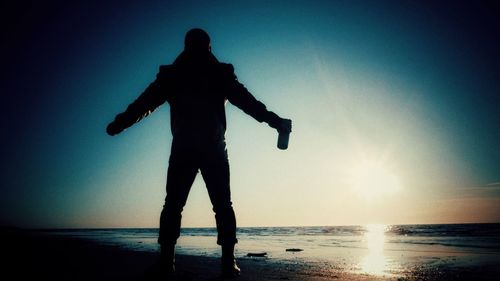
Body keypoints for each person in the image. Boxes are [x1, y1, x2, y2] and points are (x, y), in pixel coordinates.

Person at [106, 28, 292, 278]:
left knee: (174, 205)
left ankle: (167, 262)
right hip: (213, 148)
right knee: (221, 206)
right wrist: (275, 121)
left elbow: (142, 105)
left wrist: (120, 123)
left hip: (184, 148)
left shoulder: (174, 75)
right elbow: (250, 105)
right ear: (209, 47)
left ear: (185, 46)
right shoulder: (218, 74)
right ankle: (227, 262)